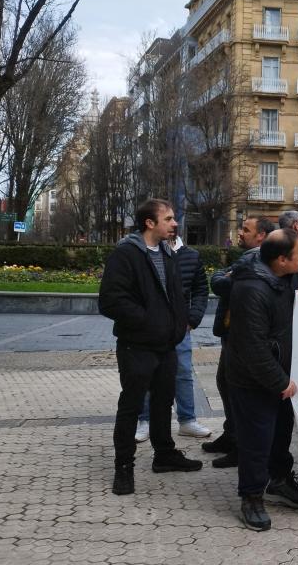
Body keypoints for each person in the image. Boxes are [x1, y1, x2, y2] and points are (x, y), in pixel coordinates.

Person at [99, 199, 202, 496]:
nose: (174, 224)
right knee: (131, 405)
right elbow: (110, 301)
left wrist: (179, 324)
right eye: (168, 219)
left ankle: (164, 454)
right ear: (149, 223)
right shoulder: (126, 254)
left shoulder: (168, 253)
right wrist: (149, 321)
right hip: (137, 345)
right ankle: (124, 467)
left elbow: (176, 295)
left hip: (166, 345)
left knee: (162, 402)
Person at [226, 229, 298, 530]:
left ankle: (279, 480)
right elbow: (253, 348)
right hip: (253, 381)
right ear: (281, 260)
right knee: (256, 441)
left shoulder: (288, 278)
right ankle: (251, 497)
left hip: (281, 377)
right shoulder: (251, 290)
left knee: (279, 436)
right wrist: (280, 382)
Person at [205, 215, 275, 469]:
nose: (240, 232)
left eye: (246, 229)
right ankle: (231, 434)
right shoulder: (248, 257)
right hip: (233, 333)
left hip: (240, 334)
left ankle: (239, 445)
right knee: (225, 383)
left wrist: (221, 275)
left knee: (234, 388)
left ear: (261, 236)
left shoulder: (253, 258)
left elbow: (221, 284)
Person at [135, 234, 211, 443]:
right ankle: (145, 421)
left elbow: (201, 289)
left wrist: (192, 319)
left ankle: (187, 420)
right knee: (147, 372)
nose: (171, 225)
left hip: (179, 327)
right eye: (167, 220)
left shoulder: (191, 256)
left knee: (183, 372)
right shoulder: (143, 251)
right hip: (150, 326)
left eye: (172, 220)